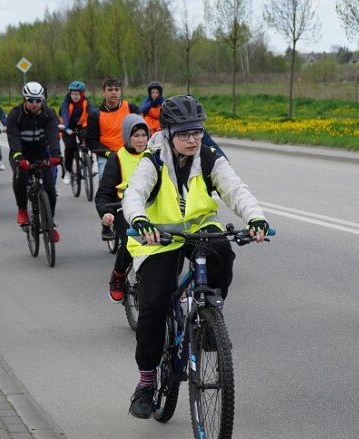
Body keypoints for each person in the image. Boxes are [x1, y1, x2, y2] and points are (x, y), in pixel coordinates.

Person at [122, 95, 269, 418]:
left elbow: (235, 189)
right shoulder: (154, 159)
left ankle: (209, 311)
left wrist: (255, 218)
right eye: (185, 134)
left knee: (223, 253)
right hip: (158, 237)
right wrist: (140, 220)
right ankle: (146, 383)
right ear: (169, 132)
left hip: (200, 227)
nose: (192, 139)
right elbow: (134, 194)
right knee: (154, 307)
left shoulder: (208, 155)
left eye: (197, 132)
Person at [95, 114, 149, 302]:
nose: (141, 140)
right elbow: (103, 193)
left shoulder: (155, 155)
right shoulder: (117, 158)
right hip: (122, 209)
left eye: (144, 135)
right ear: (127, 137)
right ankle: (118, 275)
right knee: (131, 240)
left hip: (151, 208)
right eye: (136, 136)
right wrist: (106, 212)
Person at [6, 81, 63, 242]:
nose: (34, 104)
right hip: (21, 154)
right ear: (25, 99)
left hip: (40, 153)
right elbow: (13, 138)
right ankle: (23, 210)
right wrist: (18, 156)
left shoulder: (49, 113)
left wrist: (56, 155)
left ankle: (50, 223)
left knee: (50, 188)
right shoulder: (15, 115)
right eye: (31, 100)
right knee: (21, 176)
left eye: (38, 100)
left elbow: (53, 136)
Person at [86, 77, 139, 178]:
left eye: (116, 89)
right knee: (104, 178)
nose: (114, 92)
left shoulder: (131, 109)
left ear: (120, 91)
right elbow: (91, 141)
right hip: (107, 155)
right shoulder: (95, 115)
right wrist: (108, 153)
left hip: (130, 152)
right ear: (103, 92)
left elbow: (141, 132)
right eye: (110, 90)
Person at [58, 80, 91, 185]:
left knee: (90, 140)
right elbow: (65, 115)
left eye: (77, 94)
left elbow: (92, 113)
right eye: (73, 94)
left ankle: (90, 162)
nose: (75, 96)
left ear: (82, 94)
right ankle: (67, 171)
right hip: (67, 127)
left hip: (81, 126)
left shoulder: (86, 102)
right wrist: (67, 128)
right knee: (70, 147)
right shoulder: (66, 103)